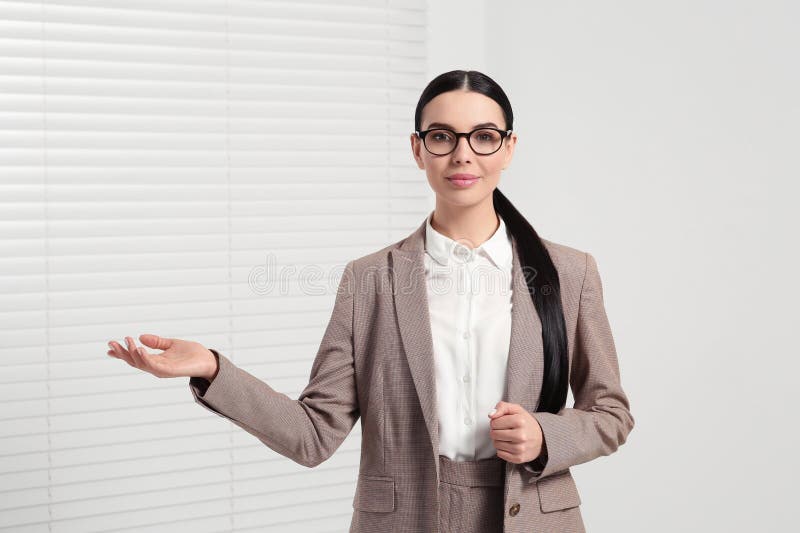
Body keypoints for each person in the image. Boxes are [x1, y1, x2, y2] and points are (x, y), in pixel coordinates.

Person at [106, 70, 634, 533]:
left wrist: (546, 435)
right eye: (443, 136)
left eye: (485, 136)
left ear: (510, 148)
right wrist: (213, 369)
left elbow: (610, 413)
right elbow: (313, 434)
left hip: (535, 520)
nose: (462, 153)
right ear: (417, 149)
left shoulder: (569, 273)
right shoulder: (369, 282)